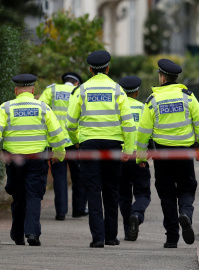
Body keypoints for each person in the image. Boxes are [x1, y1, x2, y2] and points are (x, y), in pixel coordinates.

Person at [0, 73, 66, 246]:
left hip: (14, 160)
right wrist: (59, 153)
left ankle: (17, 234)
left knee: (18, 196)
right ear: (33, 90)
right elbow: (57, 133)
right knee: (34, 196)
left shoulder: (6, 108)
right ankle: (32, 233)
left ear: (16, 90)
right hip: (37, 159)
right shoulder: (43, 108)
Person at [136, 59, 199, 248]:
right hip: (184, 153)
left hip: (162, 155)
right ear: (176, 78)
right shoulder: (188, 97)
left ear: (162, 78)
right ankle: (185, 213)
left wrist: (141, 156)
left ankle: (171, 238)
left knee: (167, 194)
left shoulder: (152, 100)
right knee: (186, 188)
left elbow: (143, 132)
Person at [66, 50, 136, 248]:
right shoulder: (117, 90)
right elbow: (128, 123)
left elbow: (70, 123)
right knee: (112, 191)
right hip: (113, 146)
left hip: (89, 145)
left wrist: (77, 142)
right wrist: (128, 150)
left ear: (90, 70)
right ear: (108, 67)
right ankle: (111, 237)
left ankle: (98, 238)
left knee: (93, 191)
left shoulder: (82, 90)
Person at [38, 72, 88, 220]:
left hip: (56, 142)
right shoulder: (80, 92)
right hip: (75, 142)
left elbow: (40, 109)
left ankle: (61, 212)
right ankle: (78, 209)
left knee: (59, 177)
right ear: (77, 83)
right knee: (79, 176)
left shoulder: (51, 90)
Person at [117, 76, 151, 242]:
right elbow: (149, 133)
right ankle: (136, 214)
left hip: (121, 157)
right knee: (143, 193)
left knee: (123, 195)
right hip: (139, 158)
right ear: (136, 92)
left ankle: (127, 230)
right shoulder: (144, 108)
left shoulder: (116, 109)